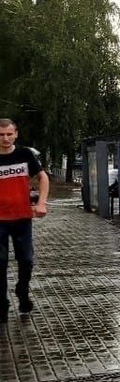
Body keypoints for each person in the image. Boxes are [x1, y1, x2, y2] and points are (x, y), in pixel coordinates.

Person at [0, 118, 49, 322]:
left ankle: (22, 291)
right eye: (1, 135)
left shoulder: (25, 154)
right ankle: (1, 304)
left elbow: (43, 177)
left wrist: (42, 203)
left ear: (16, 134)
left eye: (9, 134)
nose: (5, 138)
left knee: (26, 260)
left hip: (22, 218)